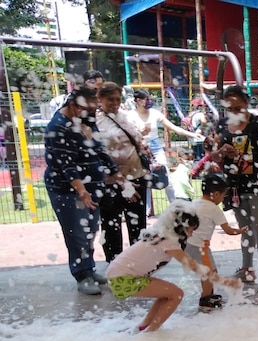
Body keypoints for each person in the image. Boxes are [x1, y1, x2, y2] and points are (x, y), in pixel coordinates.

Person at [106, 201, 241, 332]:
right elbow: (193, 266)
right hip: (122, 279)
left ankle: (144, 327)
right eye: (191, 229)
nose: (192, 234)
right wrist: (223, 281)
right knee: (176, 294)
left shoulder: (160, 235)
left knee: (166, 294)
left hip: (118, 275)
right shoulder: (167, 241)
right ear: (181, 226)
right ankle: (150, 333)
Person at [44, 86, 126, 295]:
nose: (92, 113)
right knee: (77, 233)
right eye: (87, 109)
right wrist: (81, 190)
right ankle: (81, 275)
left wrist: (115, 173)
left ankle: (88, 268)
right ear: (73, 105)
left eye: (93, 108)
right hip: (68, 190)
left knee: (90, 230)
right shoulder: (59, 126)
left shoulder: (86, 119)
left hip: (92, 187)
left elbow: (99, 149)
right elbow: (67, 164)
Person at [211, 84, 258, 293]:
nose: (235, 113)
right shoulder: (222, 125)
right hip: (234, 187)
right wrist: (221, 151)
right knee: (244, 230)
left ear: (247, 104)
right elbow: (214, 156)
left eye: (239, 108)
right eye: (230, 108)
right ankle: (247, 268)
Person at [94, 81, 148, 263]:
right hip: (110, 183)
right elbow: (98, 153)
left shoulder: (125, 116)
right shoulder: (95, 122)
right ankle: (115, 264)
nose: (115, 103)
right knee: (111, 225)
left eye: (118, 99)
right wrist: (120, 180)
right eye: (110, 99)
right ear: (99, 99)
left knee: (138, 224)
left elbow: (137, 138)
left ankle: (138, 262)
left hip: (137, 176)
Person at [130, 89, 203, 214]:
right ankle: (146, 211)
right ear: (137, 100)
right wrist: (141, 133)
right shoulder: (130, 115)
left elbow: (174, 128)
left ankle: (175, 207)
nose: (149, 102)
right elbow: (129, 135)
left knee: (165, 176)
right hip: (139, 147)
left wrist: (192, 134)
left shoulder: (154, 113)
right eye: (146, 99)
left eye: (150, 99)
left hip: (155, 145)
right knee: (143, 179)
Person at [185, 173, 248, 311]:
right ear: (215, 194)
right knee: (210, 273)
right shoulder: (214, 209)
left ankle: (208, 295)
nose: (222, 199)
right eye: (222, 196)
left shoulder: (194, 203)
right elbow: (228, 230)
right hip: (200, 246)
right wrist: (240, 231)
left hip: (187, 244)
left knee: (206, 272)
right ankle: (206, 300)